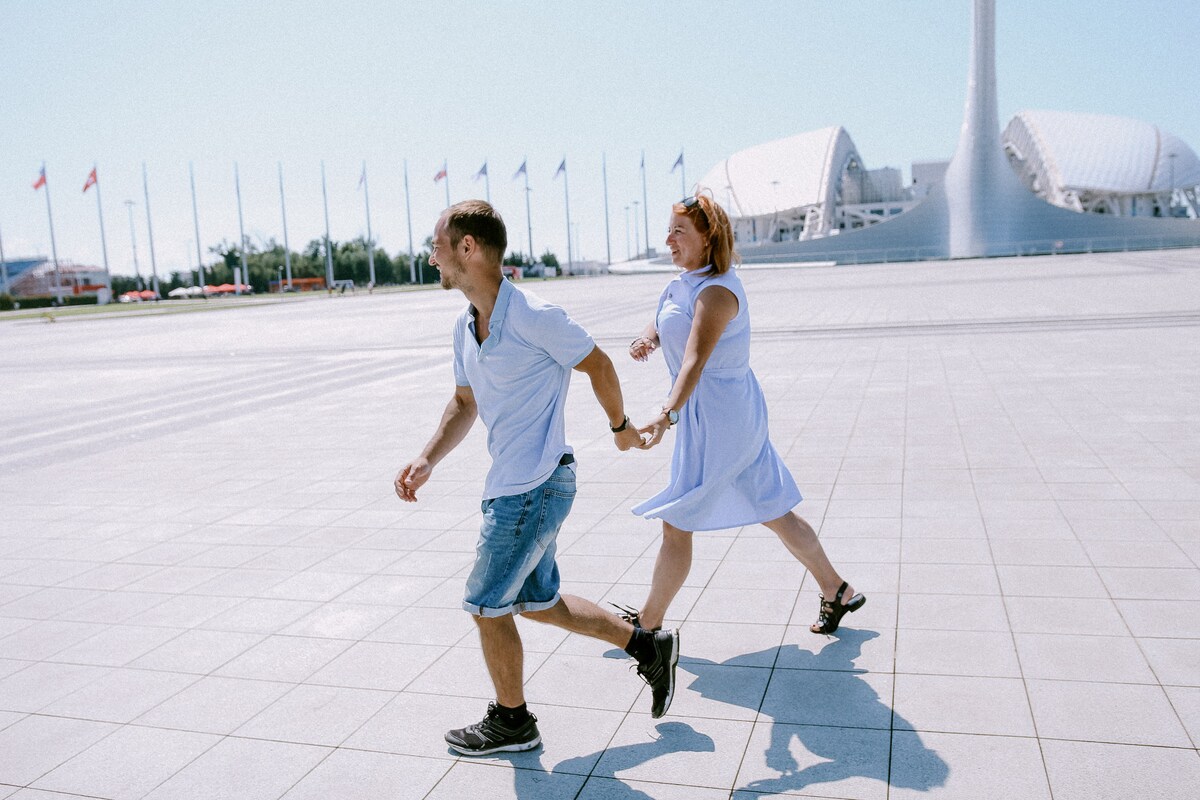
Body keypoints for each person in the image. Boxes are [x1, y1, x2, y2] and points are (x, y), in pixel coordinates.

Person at [395, 200, 680, 757]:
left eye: (437, 246)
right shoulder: (465, 326)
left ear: (468, 248)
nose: (432, 258)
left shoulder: (534, 315)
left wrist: (620, 428)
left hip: (535, 485)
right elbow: (464, 402)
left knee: (485, 603)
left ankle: (513, 722)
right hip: (512, 485)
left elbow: (598, 364)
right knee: (538, 602)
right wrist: (428, 458)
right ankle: (647, 646)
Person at [618, 192, 865, 635]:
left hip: (722, 419)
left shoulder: (717, 291)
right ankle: (837, 589)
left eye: (679, 232)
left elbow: (695, 360)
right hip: (714, 416)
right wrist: (647, 338)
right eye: (669, 230)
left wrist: (666, 415)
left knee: (677, 522)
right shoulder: (684, 281)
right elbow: (666, 315)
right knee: (774, 510)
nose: (669, 240)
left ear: (708, 238)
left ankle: (648, 627)